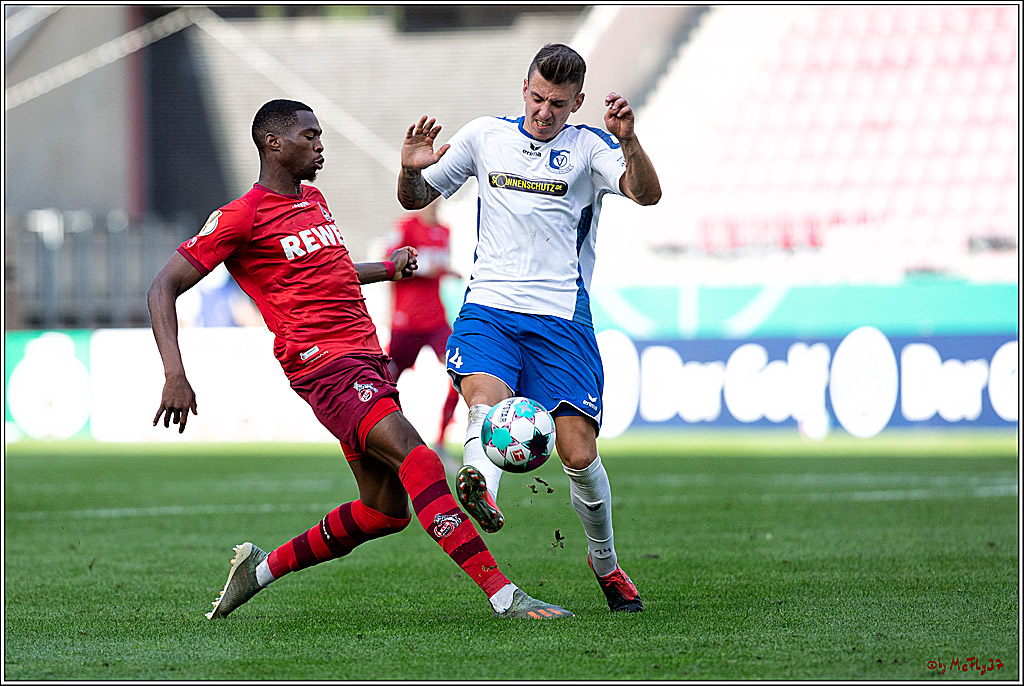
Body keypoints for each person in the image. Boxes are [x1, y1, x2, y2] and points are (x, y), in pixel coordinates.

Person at [148, 98, 572, 621]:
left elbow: (330, 269)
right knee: (420, 459)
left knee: (383, 511)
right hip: (324, 366)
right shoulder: (241, 217)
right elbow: (163, 286)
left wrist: (387, 269)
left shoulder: (313, 201)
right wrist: (174, 373)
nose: (320, 146)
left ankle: (258, 570)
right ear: (273, 143)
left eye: (321, 135)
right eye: (310, 137)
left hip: (365, 358)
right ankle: (504, 595)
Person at [397, 44, 661, 613]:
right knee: (484, 403)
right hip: (491, 304)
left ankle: (605, 563)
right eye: (538, 98)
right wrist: (409, 168)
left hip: (562, 316)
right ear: (524, 88)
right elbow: (416, 198)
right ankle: (479, 485)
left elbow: (646, 194)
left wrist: (630, 140)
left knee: (578, 453)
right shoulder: (484, 138)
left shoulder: (592, 147)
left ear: (579, 102)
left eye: (558, 105)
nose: (545, 112)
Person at [382, 202, 461, 472]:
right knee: (384, 384)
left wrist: (447, 271)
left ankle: (440, 442)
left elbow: (439, 266)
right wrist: (425, 267)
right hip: (406, 320)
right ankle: (382, 443)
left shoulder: (444, 231)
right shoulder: (405, 227)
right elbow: (388, 265)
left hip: (436, 320)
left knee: (460, 373)